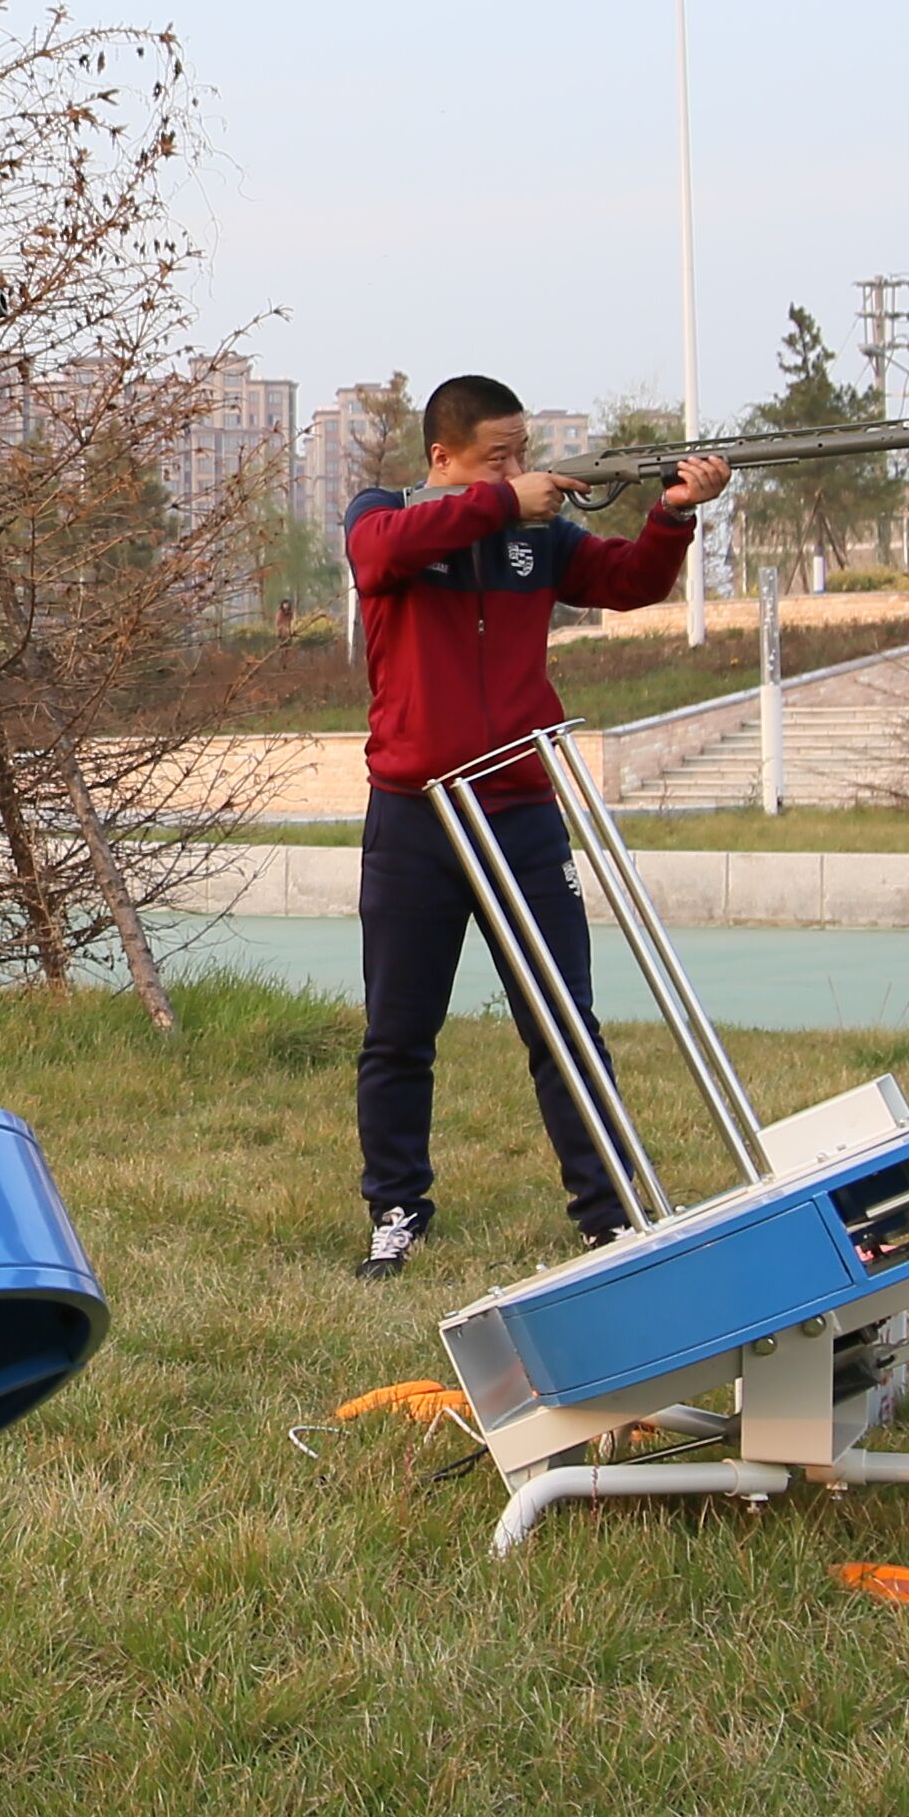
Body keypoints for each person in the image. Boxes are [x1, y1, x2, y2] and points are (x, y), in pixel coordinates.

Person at [341, 377, 729, 1277]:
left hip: (521, 810)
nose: (520, 472)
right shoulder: (389, 515)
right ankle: (395, 1210)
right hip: (415, 815)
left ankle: (609, 1213)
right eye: (496, 458)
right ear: (442, 458)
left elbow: (629, 584)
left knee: (564, 1024)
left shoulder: (541, 537)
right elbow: (374, 556)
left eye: (524, 454)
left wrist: (672, 515)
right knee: (399, 1032)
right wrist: (497, 502)